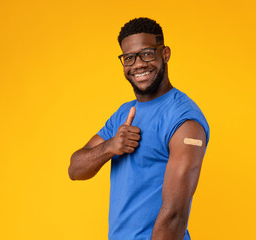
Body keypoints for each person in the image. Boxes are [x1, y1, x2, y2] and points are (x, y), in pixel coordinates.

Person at [68, 17, 210, 240]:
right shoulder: (124, 114)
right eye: (129, 58)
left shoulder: (184, 120)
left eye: (147, 53)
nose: (138, 64)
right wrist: (110, 146)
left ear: (165, 54)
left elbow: (174, 215)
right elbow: (75, 170)